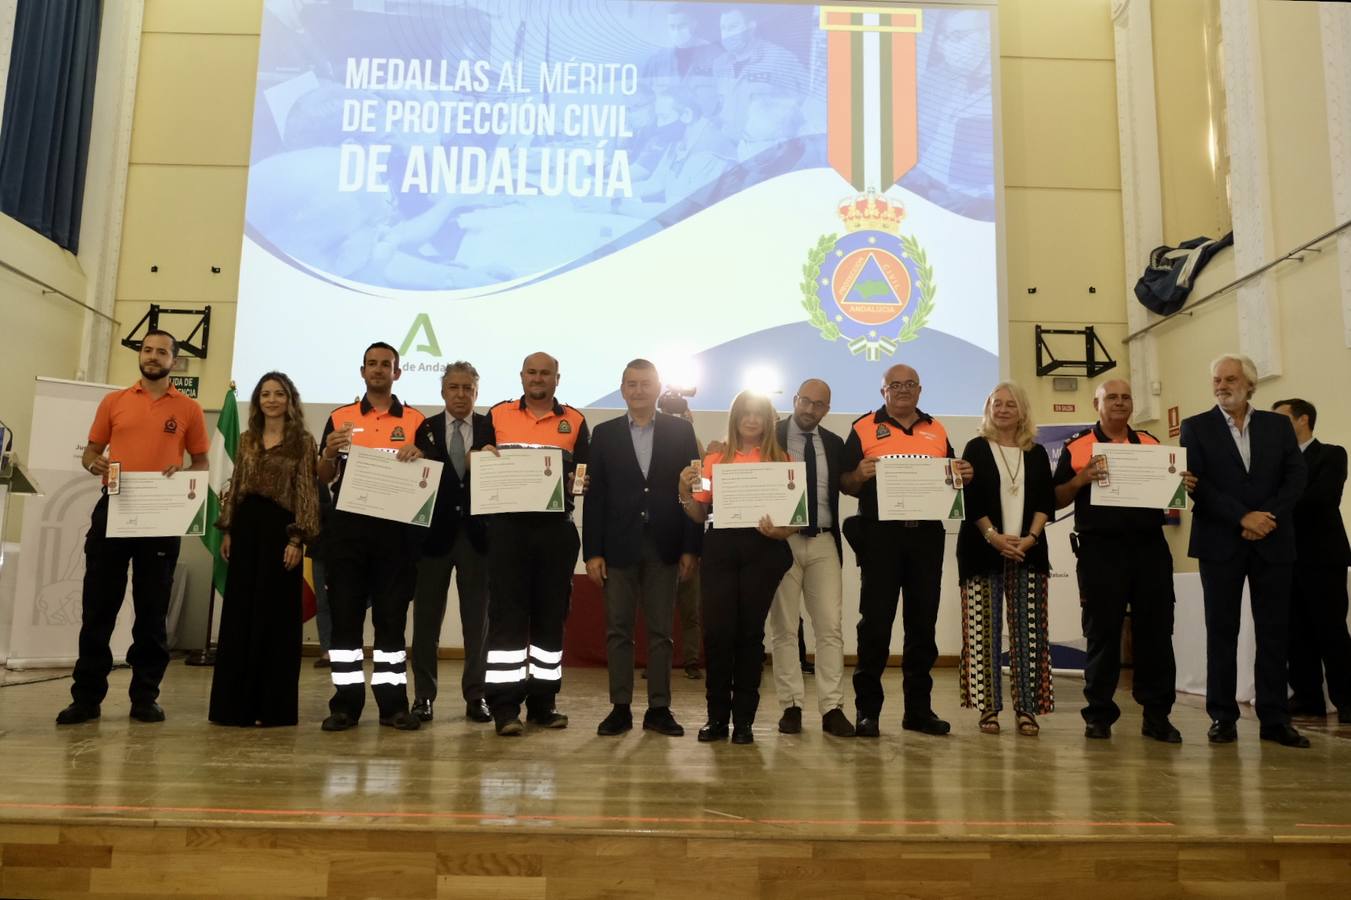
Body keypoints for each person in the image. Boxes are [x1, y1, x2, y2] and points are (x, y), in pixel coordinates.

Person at [58, 330, 209, 725]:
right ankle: (86, 699)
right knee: (98, 609)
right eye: (147, 350)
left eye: (162, 352)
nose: (153, 356)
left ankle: (145, 697)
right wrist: (95, 463)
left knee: (152, 612)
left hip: (160, 517)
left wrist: (184, 474)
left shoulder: (189, 409)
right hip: (115, 508)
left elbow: (202, 464)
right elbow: (91, 452)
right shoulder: (115, 402)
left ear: (174, 361)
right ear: (140, 356)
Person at [1180, 354, 1308, 747]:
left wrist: (1265, 516)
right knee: (1222, 632)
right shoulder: (1195, 427)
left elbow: (1295, 476)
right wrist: (1242, 518)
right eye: (1216, 379)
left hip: (1273, 539)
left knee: (1274, 632)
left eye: (1230, 378)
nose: (1222, 385)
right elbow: (1197, 484)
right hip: (1220, 542)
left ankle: (1274, 718)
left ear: (1250, 384)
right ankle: (1223, 717)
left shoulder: (1277, 426)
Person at [840, 364, 974, 737]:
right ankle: (868, 712)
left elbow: (952, 478)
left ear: (920, 389)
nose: (902, 390)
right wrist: (858, 476)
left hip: (926, 538)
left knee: (922, 627)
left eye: (909, 384)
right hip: (880, 537)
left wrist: (962, 474)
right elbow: (845, 484)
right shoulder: (862, 427)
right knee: (875, 626)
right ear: (883, 391)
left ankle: (918, 711)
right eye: (894, 385)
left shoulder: (937, 428)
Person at [1054, 379, 1190, 743]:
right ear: (1096, 403)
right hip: (1100, 551)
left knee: (1157, 634)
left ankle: (1157, 716)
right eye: (1111, 397)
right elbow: (1055, 499)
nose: (1119, 402)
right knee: (1102, 635)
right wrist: (1081, 478)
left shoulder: (1150, 444)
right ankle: (1098, 715)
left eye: (1125, 397)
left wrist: (1181, 483)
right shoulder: (1078, 446)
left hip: (1149, 550)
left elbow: (1170, 495)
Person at [585, 359, 701, 738]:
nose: (638, 390)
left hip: (665, 545)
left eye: (645, 383)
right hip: (617, 546)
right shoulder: (603, 434)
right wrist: (592, 552)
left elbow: (692, 489)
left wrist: (691, 547)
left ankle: (659, 708)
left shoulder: (681, 432)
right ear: (622, 389)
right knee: (618, 629)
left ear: (657, 387)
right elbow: (595, 497)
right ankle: (620, 708)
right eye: (631, 384)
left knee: (661, 632)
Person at [316, 342, 426, 732]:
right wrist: (328, 454)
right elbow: (323, 477)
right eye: (372, 364)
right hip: (347, 532)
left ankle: (393, 706)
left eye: (387, 365)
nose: (379, 370)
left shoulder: (415, 420)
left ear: (397, 373)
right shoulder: (340, 417)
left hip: (395, 535)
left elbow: (427, 479)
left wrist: (420, 457)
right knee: (345, 620)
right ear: (362, 371)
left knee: (391, 622)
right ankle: (345, 705)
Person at [480, 353, 590, 736]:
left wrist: (582, 483)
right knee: (507, 621)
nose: (538, 378)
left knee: (549, 621)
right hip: (508, 531)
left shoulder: (575, 420)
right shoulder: (496, 415)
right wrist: (483, 459)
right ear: (521, 376)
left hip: (555, 533)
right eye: (532, 372)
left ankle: (543, 704)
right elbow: (476, 464)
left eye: (546, 373)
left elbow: (583, 474)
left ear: (557, 378)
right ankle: (505, 709)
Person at [678, 390, 795, 745]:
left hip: (764, 549)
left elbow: (795, 519)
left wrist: (781, 531)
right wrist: (683, 491)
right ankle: (717, 719)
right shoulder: (714, 460)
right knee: (717, 635)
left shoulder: (783, 460)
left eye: (758, 414)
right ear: (735, 418)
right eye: (745, 413)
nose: (751, 420)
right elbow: (699, 513)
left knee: (749, 636)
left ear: (768, 420)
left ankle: (744, 721)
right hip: (721, 548)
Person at [209, 372, 320, 727]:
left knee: (276, 621)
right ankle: (235, 708)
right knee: (241, 617)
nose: (272, 400)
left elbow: (306, 492)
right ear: (258, 401)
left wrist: (296, 538)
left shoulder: (303, 441)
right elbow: (236, 485)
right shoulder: (246, 440)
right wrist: (228, 530)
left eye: (279, 394)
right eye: (265, 394)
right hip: (247, 530)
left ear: (290, 399)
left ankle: (271, 708)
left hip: (281, 532)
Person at [956, 382, 1055, 736]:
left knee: (1030, 635)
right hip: (981, 550)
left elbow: (1046, 501)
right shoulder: (976, 448)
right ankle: (989, 710)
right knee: (983, 634)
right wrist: (993, 537)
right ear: (988, 409)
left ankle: (1027, 710)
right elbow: (970, 500)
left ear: (1022, 410)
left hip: (1029, 553)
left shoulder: (1038, 453)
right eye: (996, 403)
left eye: (1010, 404)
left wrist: (1028, 539)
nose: (1002, 409)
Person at [769, 379, 854, 738]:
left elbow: (850, 483)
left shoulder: (833, 444)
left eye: (819, 405)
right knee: (784, 629)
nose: (810, 409)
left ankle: (832, 708)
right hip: (780, 543)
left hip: (823, 542)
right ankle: (790, 705)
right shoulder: (769, 435)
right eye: (806, 401)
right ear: (794, 400)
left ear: (827, 410)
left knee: (830, 628)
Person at [410, 362, 495, 724]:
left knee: (478, 623)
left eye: (468, 388)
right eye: (453, 388)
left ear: (477, 392)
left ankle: (476, 696)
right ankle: (424, 697)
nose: (461, 395)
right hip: (433, 538)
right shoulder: (424, 429)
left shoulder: (491, 428)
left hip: (478, 537)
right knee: (426, 621)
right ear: (443, 392)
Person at [1272, 398, 1351, 722]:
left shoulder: (1331, 454)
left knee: (1331, 630)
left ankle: (1347, 700)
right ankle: (1307, 697)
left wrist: (1274, 507)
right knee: (1295, 632)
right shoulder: (1275, 464)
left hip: (1322, 557)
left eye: (1282, 420)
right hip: (1285, 557)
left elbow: (1322, 498)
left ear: (1303, 420)